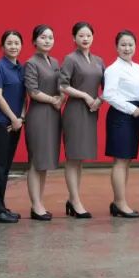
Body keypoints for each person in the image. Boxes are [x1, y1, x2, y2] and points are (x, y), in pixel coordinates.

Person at [59, 21, 105, 219]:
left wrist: (100, 100)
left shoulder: (99, 60)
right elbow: (62, 85)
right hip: (75, 110)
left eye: (88, 35)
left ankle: (73, 199)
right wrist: (85, 96)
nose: (85, 39)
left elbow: (108, 86)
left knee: (80, 158)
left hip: (92, 111)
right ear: (74, 38)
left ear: (93, 37)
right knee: (73, 157)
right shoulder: (70, 59)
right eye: (81, 35)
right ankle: (76, 201)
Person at [102, 30, 139, 218]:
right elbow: (109, 95)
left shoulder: (138, 68)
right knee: (120, 161)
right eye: (123, 45)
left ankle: (118, 201)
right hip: (121, 116)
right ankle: (120, 203)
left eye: (130, 45)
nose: (127, 48)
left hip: (136, 115)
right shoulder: (113, 69)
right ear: (116, 47)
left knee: (127, 161)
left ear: (135, 46)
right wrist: (131, 109)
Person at [0, 29, 26, 223]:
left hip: (16, 124)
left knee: (5, 167)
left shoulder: (21, 68)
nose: (13, 46)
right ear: (2, 47)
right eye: (9, 43)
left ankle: (0, 206)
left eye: (16, 43)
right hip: (0, 123)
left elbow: (25, 96)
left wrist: (21, 118)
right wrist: (13, 118)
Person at [23, 25, 63, 221]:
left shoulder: (54, 62)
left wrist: (61, 97)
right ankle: (35, 204)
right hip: (39, 114)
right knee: (36, 160)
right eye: (43, 37)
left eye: (50, 37)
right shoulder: (31, 63)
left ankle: (40, 201)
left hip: (54, 114)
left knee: (45, 162)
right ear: (34, 41)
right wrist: (53, 100)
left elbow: (61, 85)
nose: (47, 41)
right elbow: (32, 91)